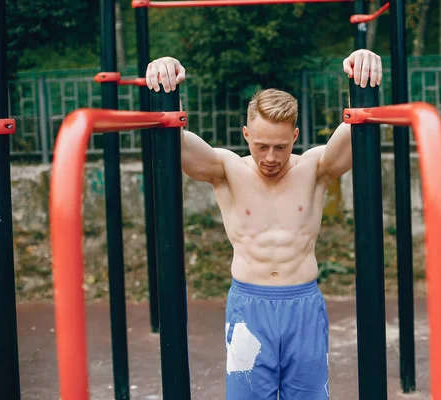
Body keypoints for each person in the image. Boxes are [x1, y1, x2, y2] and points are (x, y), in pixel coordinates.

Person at [145, 49, 382, 400]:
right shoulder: (226, 169)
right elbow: (169, 140)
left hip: (303, 306)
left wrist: (360, 71)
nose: (270, 158)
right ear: (245, 134)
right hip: (248, 309)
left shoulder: (315, 168)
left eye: (281, 147)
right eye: (261, 146)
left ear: (296, 136)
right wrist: (163, 80)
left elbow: (356, 128)